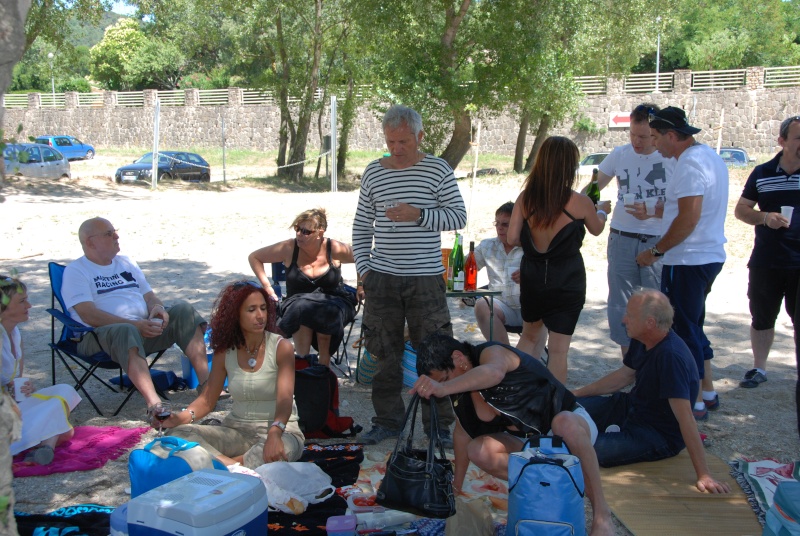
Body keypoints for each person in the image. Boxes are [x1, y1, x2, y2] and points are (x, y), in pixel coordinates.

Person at [413, 333, 614, 536]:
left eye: (445, 378)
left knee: (564, 423)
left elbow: (494, 373)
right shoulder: (459, 389)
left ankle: (601, 513)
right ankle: (543, 489)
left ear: (459, 359)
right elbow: (462, 433)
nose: (445, 387)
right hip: (528, 444)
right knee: (478, 450)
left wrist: (444, 387)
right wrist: (455, 487)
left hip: (567, 427)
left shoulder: (491, 353)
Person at [352, 104, 467, 446]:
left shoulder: (437, 169)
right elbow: (361, 226)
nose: (397, 149)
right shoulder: (374, 172)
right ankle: (387, 421)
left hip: (425, 278)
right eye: (391, 142)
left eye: (404, 141)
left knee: (435, 352)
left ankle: (439, 426)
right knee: (384, 352)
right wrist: (364, 271)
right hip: (382, 278)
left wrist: (418, 214)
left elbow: (458, 217)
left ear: (420, 136)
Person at [573, 288, 730, 494]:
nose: (624, 319)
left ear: (650, 323)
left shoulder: (670, 357)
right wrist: (575, 394)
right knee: (567, 408)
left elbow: (686, 418)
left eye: (629, 315)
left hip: (656, 434)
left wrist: (704, 474)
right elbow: (624, 376)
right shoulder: (643, 338)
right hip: (632, 407)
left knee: (584, 449)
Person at [636, 107, 728, 421]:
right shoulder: (708, 157)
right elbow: (682, 211)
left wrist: (656, 252)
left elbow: (689, 217)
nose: (654, 144)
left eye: (657, 137)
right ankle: (709, 391)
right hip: (706, 256)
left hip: (688, 259)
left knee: (683, 331)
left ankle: (694, 403)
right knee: (693, 324)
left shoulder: (689, 164)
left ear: (672, 136)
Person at [62, 217, 211, 411]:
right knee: (125, 330)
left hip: (141, 330)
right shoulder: (76, 271)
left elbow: (149, 296)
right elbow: (89, 315)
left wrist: (157, 309)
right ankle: (155, 404)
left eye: (115, 231)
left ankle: (208, 387)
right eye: (109, 233)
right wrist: (135, 325)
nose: (117, 236)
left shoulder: (126, 262)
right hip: (97, 338)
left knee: (184, 311)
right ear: (90, 242)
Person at [160, 281, 304, 467]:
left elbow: (285, 399)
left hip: (281, 430)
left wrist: (275, 433)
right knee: (177, 435)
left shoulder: (281, 347)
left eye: (263, 308)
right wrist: (178, 418)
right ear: (235, 315)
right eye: (251, 310)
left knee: (271, 454)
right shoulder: (224, 352)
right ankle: (234, 468)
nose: (260, 316)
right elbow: (207, 400)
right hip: (236, 431)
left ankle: (218, 467)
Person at [508, 136, 607, 383]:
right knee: (559, 350)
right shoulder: (581, 202)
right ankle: (556, 408)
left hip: (533, 276)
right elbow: (597, 229)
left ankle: (512, 391)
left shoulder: (525, 198)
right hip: (567, 278)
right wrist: (602, 211)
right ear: (569, 167)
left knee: (529, 338)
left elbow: (511, 237)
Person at [593, 103, 674, 358]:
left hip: (658, 239)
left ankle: (655, 360)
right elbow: (594, 187)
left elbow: (685, 207)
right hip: (621, 237)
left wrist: (654, 211)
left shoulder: (670, 158)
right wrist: (595, 203)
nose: (637, 142)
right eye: (632, 135)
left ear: (657, 133)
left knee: (657, 303)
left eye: (644, 137)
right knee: (621, 303)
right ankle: (630, 363)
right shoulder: (619, 154)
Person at [734, 116, 800, 391]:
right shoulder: (762, 172)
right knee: (762, 316)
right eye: (798, 138)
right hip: (767, 260)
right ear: (782, 141)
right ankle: (759, 368)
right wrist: (764, 218)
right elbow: (741, 210)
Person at [248, 208, 357, 367]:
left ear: (320, 233)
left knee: (324, 312)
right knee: (302, 310)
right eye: (297, 229)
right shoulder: (289, 248)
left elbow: (362, 257)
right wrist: (267, 287)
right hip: (297, 303)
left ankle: (323, 367)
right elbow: (254, 257)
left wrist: (361, 285)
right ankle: (303, 364)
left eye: (306, 231)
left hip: (333, 300)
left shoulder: (333, 248)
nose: (299, 234)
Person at [1, 276, 81, 465]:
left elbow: (14, 380)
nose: (29, 305)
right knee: (63, 429)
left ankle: (43, 445)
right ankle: (46, 444)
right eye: (22, 301)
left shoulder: (14, 332)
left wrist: (20, 388)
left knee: (64, 390)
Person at [472, 202, 524, 344]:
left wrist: (531, 275)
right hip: (502, 306)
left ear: (518, 224)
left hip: (532, 307)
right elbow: (465, 268)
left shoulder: (533, 246)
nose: (499, 228)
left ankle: (523, 360)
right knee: (482, 305)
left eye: (505, 224)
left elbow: (551, 275)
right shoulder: (487, 246)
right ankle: (503, 353)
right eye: (497, 223)